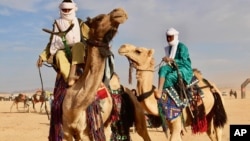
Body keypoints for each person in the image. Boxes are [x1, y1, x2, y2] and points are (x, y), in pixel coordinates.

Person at [36, 0, 89, 86]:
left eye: (69, 9)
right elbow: (52, 43)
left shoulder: (79, 23)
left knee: (78, 46)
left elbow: (90, 35)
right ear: (61, 9)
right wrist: (42, 57)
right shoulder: (57, 24)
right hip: (63, 51)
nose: (67, 12)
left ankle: (74, 71)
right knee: (59, 54)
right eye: (64, 10)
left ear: (73, 9)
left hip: (78, 52)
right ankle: (69, 78)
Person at [156, 28, 193, 107]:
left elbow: (183, 60)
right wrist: (167, 60)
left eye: (170, 37)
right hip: (173, 66)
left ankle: (169, 99)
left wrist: (170, 59)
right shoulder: (169, 48)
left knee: (170, 77)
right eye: (167, 37)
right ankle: (160, 91)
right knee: (162, 69)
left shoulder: (182, 47)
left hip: (184, 68)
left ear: (175, 36)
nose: (168, 39)